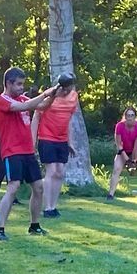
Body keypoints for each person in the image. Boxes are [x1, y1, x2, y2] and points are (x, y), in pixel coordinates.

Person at [0, 67, 57, 241]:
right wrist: (45, 93)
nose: (22, 87)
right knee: (13, 188)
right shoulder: (1, 100)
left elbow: (42, 106)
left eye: (23, 84)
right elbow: (26, 106)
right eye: (19, 84)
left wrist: (55, 93)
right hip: (12, 152)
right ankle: (0, 229)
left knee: (38, 188)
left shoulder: (22, 97)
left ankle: (34, 226)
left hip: (28, 151)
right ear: (8, 83)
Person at [38, 73, 79, 217]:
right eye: (65, 88)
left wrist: (70, 142)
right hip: (47, 137)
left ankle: (54, 206)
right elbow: (38, 111)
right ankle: (47, 208)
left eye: (70, 87)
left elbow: (69, 120)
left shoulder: (74, 97)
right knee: (52, 171)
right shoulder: (51, 96)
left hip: (62, 140)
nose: (67, 91)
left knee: (60, 172)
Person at [107, 105, 137, 200]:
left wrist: (133, 162)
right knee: (116, 169)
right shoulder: (119, 126)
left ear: (135, 117)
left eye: (132, 115)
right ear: (125, 116)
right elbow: (118, 144)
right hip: (123, 150)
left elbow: (136, 147)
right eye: (128, 115)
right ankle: (110, 194)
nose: (129, 117)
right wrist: (127, 160)